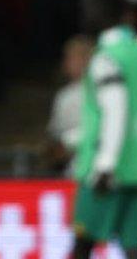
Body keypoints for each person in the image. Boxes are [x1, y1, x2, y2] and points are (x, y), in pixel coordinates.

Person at [70, 0, 137, 259]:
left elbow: (116, 110)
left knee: (83, 246)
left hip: (109, 169)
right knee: (133, 251)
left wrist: (105, 165)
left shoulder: (106, 57)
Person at [46, 35, 94, 175]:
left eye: (72, 58)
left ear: (87, 60)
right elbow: (55, 133)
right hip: (71, 168)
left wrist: (67, 142)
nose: (66, 63)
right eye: (66, 58)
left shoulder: (100, 92)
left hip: (96, 165)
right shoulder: (63, 95)